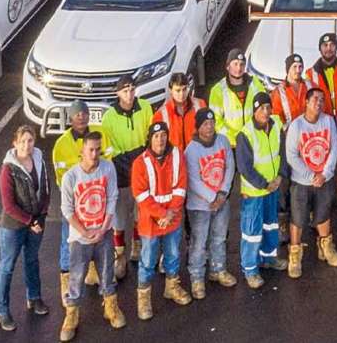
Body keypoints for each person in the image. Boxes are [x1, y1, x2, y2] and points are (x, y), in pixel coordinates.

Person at [58, 131, 124, 340]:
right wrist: (85, 231)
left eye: (98, 150)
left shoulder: (108, 168)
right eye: (91, 150)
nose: (95, 154)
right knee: (76, 278)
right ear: (82, 151)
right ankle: (71, 315)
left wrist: (104, 228)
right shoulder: (71, 177)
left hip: (103, 234)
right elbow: (67, 210)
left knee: (107, 272)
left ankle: (111, 307)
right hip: (80, 238)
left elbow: (113, 196)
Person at [131, 120, 191, 320]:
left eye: (163, 135)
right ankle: (144, 297)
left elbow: (181, 186)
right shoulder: (140, 162)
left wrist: (171, 213)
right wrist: (162, 214)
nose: (160, 140)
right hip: (151, 222)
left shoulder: (177, 156)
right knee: (148, 260)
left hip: (171, 218)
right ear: (150, 139)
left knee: (173, 255)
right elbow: (141, 195)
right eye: (156, 136)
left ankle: (172, 287)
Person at [0, 123, 50, 332]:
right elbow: (9, 206)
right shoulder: (7, 170)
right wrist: (30, 222)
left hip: (36, 222)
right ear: (15, 143)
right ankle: (2, 311)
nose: (27, 145)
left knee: (32, 260)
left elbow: (45, 190)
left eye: (30, 141)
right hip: (14, 226)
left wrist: (41, 216)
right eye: (23, 141)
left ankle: (34, 298)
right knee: (7, 267)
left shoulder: (38, 160)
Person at [284, 87, 337, 277]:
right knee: (298, 218)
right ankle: (295, 255)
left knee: (323, 213)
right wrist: (311, 176)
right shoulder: (297, 126)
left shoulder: (328, 121)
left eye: (322, 100)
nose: (319, 103)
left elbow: (334, 148)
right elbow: (292, 156)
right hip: (302, 181)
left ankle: (326, 246)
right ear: (306, 103)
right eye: (315, 99)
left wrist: (325, 174)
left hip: (324, 179)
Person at [97, 75, 152, 281]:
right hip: (120, 174)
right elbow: (111, 149)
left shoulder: (145, 107)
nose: (129, 94)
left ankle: (136, 248)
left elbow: (149, 137)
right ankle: (119, 256)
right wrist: (133, 158)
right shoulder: (109, 117)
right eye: (124, 90)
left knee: (140, 214)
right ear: (117, 93)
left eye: (131, 89)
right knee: (119, 218)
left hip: (143, 174)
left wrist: (139, 159)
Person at [183, 109, 237, 299]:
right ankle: (197, 278)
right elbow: (193, 180)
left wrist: (222, 193)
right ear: (198, 127)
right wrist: (212, 197)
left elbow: (229, 166)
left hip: (222, 200)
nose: (210, 127)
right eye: (206, 124)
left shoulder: (222, 141)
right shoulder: (191, 150)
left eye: (212, 123)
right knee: (199, 242)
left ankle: (218, 269)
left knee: (219, 237)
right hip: (200, 206)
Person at [234, 91, 285, 288]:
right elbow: (245, 167)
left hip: (273, 188)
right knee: (252, 231)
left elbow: (283, 152)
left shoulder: (276, 126)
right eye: (261, 108)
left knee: (271, 225)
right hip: (255, 192)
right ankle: (250, 269)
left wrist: (280, 175)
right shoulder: (245, 134)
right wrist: (265, 183)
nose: (265, 111)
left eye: (268, 107)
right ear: (254, 111)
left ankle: (269, 257)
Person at [51, 101, 96, 304]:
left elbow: (107, 161)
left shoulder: (97, 135)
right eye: (77, 115)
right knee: (67, 239)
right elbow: (61, 177)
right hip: (74, 201)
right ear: (70, 118)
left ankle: (93, 271)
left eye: (84, 114)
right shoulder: (61, 145)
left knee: (97, 235)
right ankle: (66, 279)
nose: (81, 118)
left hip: (95, 198)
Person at [207, 49, 268, 144]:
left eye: (242, 64)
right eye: (235, 64)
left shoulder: (255, 84)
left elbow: (265, 110)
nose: (239, 68)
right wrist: (235, 138)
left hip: (254, 140)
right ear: (227, 66)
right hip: (231, 144)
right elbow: (216, 121)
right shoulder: (218, 90)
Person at [152, 72, 205, 152]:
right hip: (175, 160)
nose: (182, 94)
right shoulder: (160, 114)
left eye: (184, 89)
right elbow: (157, 145)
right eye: (178, 90)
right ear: (170, 90)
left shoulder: (200, 105)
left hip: (198, 156)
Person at [307, 32, 337, 114]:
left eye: (332, 45)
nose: (328, 48)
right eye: (325, 45)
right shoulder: (310, 74)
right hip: (321, 120)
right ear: (320, 49)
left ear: (336, 47)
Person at [273, 54, 310, 124]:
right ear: (288, 69)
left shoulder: (310, 86)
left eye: (300, 67)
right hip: (289, 133)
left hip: (309, 132)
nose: (298, 70)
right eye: (294, 67)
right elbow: (276, 119)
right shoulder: (279, 92)